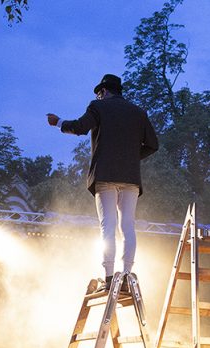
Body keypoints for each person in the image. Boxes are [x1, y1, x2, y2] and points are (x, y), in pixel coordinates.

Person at [47, 73, 159, 292]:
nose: (98, 97)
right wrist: (130, 158)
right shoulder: (138, 112)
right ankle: (126, 275)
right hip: (130, 178)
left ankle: (108, 277)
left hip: (105, 176)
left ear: (104, 91)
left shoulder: (98, 107)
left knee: (107, 225)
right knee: (127, 225)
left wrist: (58, 122)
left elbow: (79, 127)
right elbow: (153, 144)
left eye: (99, 94)